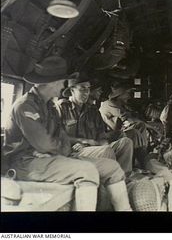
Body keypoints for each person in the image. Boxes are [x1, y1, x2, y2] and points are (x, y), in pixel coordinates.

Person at [2, 56, 132, 211]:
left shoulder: (49, 106)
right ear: (51, 83)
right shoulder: (25, 106)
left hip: (50, 156)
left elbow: (60, 137)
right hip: (25, 162)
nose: (64, 87)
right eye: (63, 82)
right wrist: (51, 150)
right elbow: (43, 143)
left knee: (112, 168)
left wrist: (57, 151)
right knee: (87, 171)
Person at [56, 74, 133, 174]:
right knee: (106, 151)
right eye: (82, 89)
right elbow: (56, 135)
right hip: (72, 152)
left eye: (88, 88)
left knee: (126, 142)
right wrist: (81, 142)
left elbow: (101, 136)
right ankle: (111, 180)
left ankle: (124, 177)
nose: (87, 92)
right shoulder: (61, 108)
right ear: (72, 90)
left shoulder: (93, 111)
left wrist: (103, 144)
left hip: (93, 148)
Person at [99, 83, 149, 168]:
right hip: (108, 136)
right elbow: (128, 119)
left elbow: (130, 119)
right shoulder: (109, 103)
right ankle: (143, 162)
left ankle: (141, 158)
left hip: (116, 133)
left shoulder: (120, 105)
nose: (129, 96)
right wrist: (153, 128)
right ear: (120, 95)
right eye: (127, 94)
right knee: (134, 133)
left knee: (140, 126)